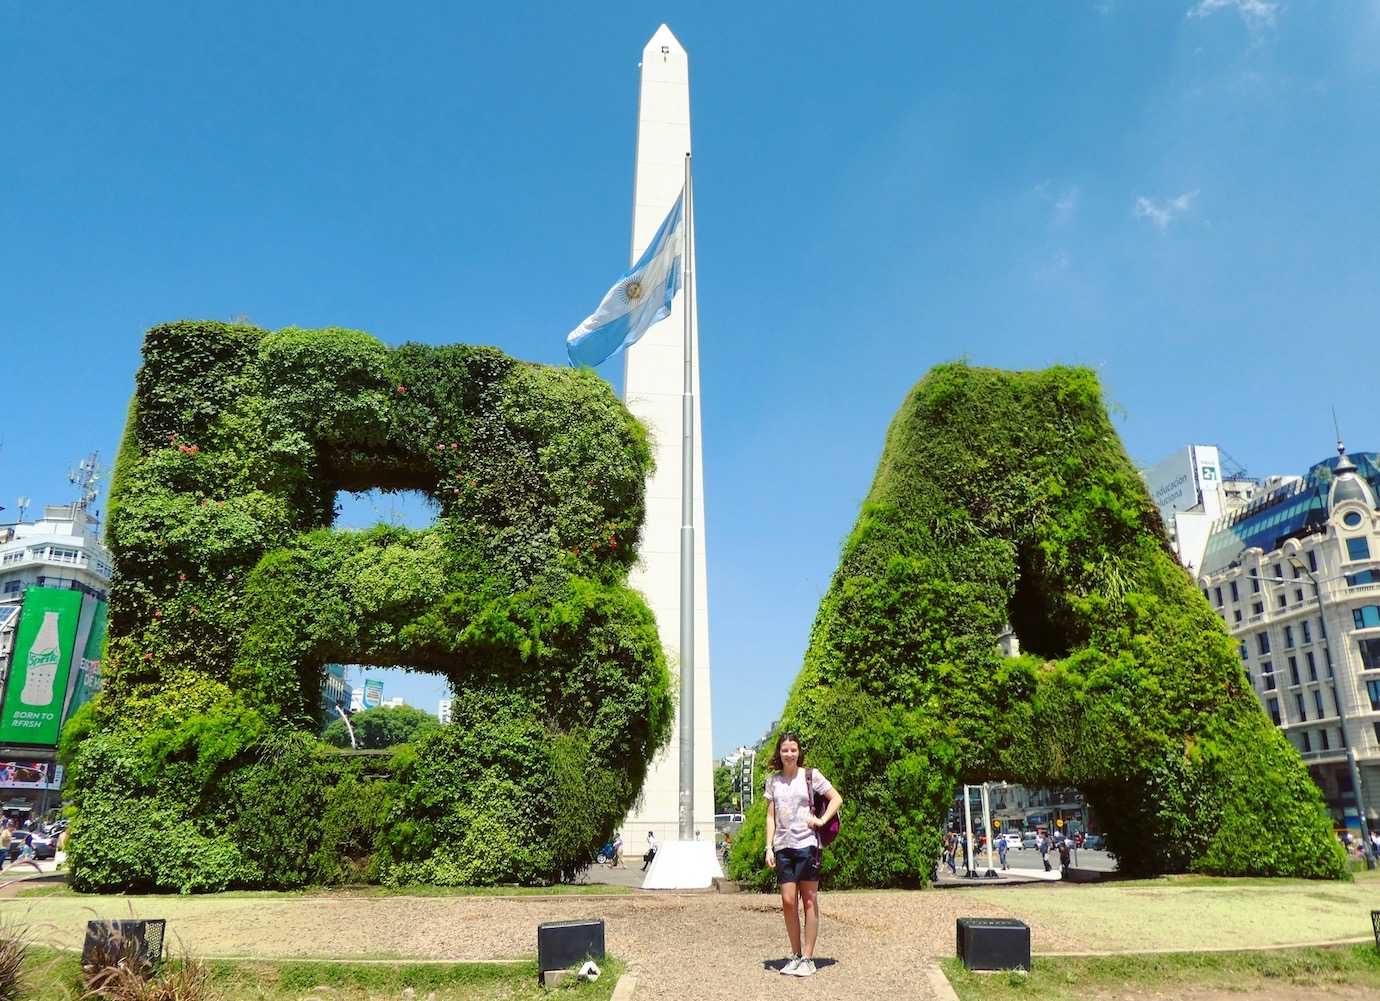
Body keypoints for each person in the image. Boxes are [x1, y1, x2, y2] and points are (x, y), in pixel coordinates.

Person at [764, 731, 842, 979]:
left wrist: (820, 820)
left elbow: (836, 798)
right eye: (785, 750)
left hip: (808, 844)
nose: (789, 754)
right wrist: (768, 847)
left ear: (799, 752)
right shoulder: (773, 781)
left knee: (809, 899)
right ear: (779, 752)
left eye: (793, 750)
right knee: (788, 901)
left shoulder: (810, 776)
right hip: (783, 846)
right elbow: (770, 816)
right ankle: (795, 955)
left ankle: (808, 957)